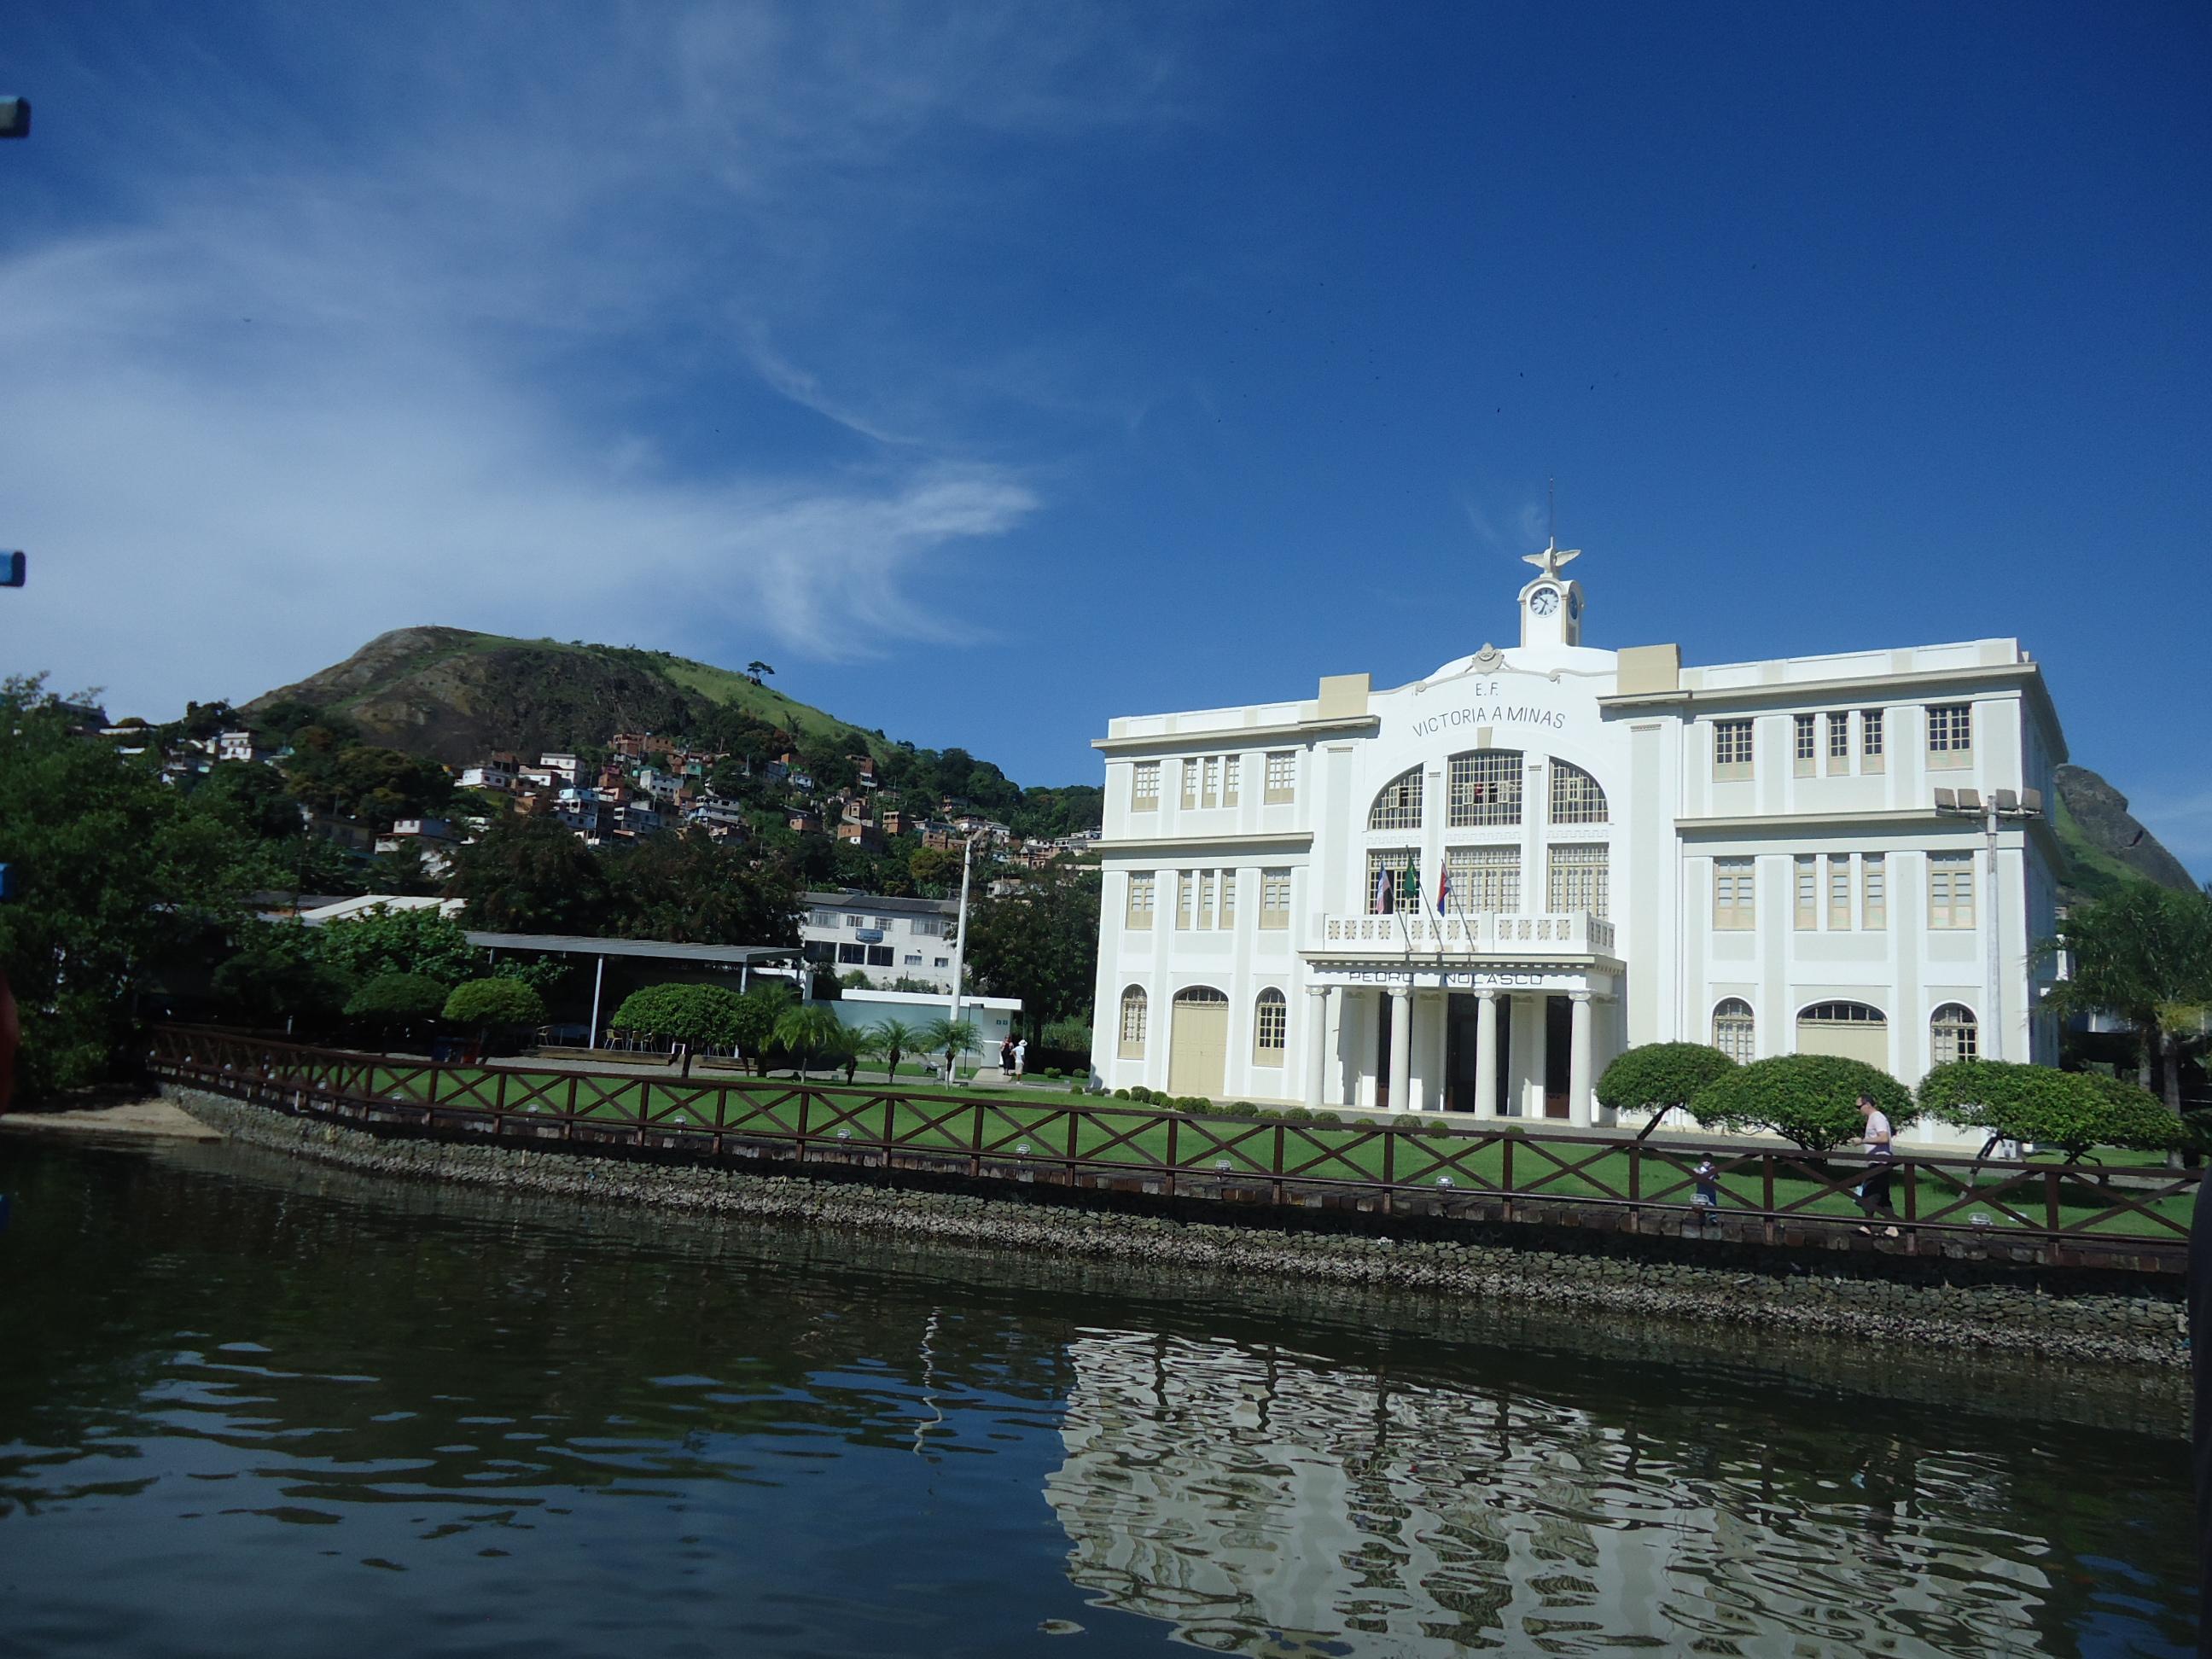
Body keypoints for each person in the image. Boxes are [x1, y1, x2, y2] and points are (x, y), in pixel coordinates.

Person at [1856, 1093, 1900, 1238]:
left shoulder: (1877, 1117)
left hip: (1880, 1162)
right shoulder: (1873, 1119)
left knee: (1869, 1192)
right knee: (1882, 1196)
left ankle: (1867, 1225)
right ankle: (1891, 1227)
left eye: (1859, 1107)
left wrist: (1862, 1141)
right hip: (1878, 1161)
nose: (1858, 1110)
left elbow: (1884, 1137)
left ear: (1867, 1104)